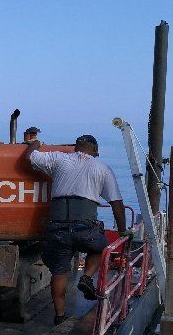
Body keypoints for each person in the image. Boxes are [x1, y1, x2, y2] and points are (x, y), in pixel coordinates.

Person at [23, 134, 128, 325]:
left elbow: (29, 157)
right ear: (94, 150)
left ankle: (60, 316)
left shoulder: (58, 159)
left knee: (59, 272)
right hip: (85, 227)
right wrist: (122, 231)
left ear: (75, 147)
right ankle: (86, 277)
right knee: (99, 247)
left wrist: (35, 144)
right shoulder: (102, 168)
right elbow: (117, 204)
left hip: (58, 226)